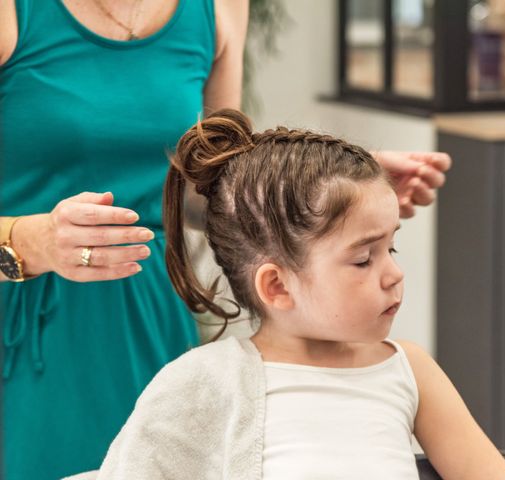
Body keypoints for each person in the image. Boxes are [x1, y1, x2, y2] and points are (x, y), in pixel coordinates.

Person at [0, 2, 449, 479]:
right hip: (20, 314)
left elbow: (212, 189)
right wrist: (34, 241)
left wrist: (335, 192)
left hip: (144, 311)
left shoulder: (220, 8)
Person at [67, 109, 505, 480]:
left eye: (391, 247)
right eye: (364, 259)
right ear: (277, 286)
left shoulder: (409, 369)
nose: (394, 274)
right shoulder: (200, 384)